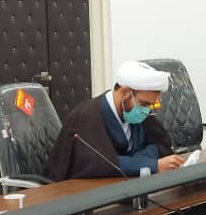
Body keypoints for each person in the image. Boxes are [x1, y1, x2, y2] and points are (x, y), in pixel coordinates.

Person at [48, 61, 184, 180]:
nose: (146, 110)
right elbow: (97, 164)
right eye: (144, 104)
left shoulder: (135, 110)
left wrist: (132, 162)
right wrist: (151, 164)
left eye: (150, 105)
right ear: (125, 93)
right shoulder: (87, 115)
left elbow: (160, 146)